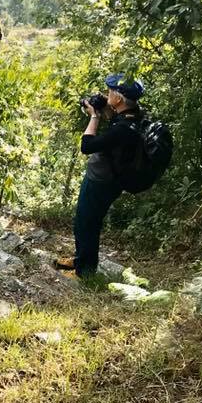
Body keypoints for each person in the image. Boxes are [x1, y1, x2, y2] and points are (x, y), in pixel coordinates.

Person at [56, 74, 145, 278]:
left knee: (87, 222)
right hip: (108, 180)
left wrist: (94, 116)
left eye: (110, 91)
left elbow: (87, 146)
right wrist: (105, 109)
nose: (107, 94)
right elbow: (116, 125)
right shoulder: (132, 118)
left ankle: (84, 271)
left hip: (101, 182)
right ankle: (81, 260)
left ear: (119, 98)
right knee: (86, 220)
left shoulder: (124, 129)